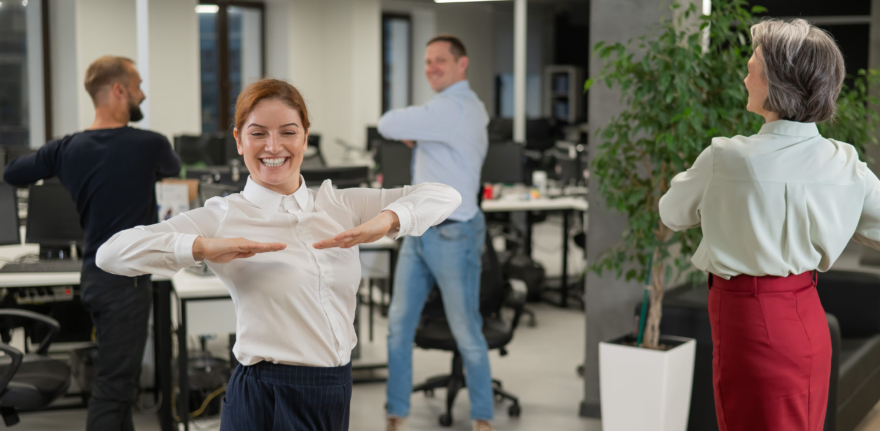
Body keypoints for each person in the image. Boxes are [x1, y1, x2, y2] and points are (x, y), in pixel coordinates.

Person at [96, 78, 461, 431]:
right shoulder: (224, 215)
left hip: (335, 387)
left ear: (305, 136)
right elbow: (110, 254)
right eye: (258, 133)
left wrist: (387, 220)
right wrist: (202, 247)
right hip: (268, 395)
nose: (274, 146)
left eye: (288, 132)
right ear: (239, 141)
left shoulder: (338, 203)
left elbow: (445, 195)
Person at [659, 19, 880, 431]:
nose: (744, 78)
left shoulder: (727, 157)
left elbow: (671, 212)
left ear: (778, 81)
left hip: (749, 324)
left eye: (752, 67)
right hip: (808, 320)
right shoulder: (846, 163)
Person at [3, 56, 180, 431]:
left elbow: (13, 173)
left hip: (95, 278)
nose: (142, 94)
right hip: (127, 283)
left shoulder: (67, 148)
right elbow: (174, 168)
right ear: (119, 90)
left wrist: (58, 159)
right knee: (114, 390)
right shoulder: (149, 144)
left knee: (119, 382)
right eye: (138, 86)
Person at [377, 35, 493, 431]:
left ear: (463, 64)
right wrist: (421, 131)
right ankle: (396, 411)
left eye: (440, 60)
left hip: (452, 235)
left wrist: (414, 129)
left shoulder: (453, 107)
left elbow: (387, 123)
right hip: (419, 230)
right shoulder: (463, 109)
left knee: (466, 330)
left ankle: (483, 417)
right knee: (398, 324)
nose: (431, 67)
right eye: (427, 61)